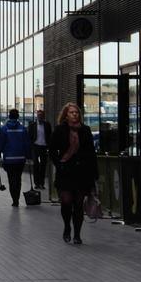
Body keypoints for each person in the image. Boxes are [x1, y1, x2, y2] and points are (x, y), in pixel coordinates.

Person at [50, 103, 98, 245]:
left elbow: (91, 153)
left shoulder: (85, 130)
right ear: (66, 115)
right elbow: (52, 150)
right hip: (66, 171)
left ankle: (77, 233)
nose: (74, 115)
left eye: (76, 112)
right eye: (71, 112)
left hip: (82, 172)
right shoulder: (59, 130)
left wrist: (94, 173)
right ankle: (66, 227)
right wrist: (59, 164)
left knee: (78, 204)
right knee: (66, 201)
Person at [0, 109, 31, 207]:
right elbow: (27, 143)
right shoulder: (23, 129)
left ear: (9, 117)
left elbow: (0, 144)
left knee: (11, 179)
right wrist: (28, 155)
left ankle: (14, 199)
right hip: (20, 158)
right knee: (18, 179)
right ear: (17, 117)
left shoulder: (4, 129)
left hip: (9, 159)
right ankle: (17, 197)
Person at [28, 109, 52, 190]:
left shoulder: (47, 125)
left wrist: (49, 147)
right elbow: (29, 136)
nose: (40, 117)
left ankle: (42, 183)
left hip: (44, 147)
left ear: (43, 116)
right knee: (35, 165)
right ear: (36, 116)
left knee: (43, 165)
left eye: (41, 115)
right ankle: (36, 183)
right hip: (35, 147)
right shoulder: (32, 125)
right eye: (38, 115)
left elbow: (50, 136)